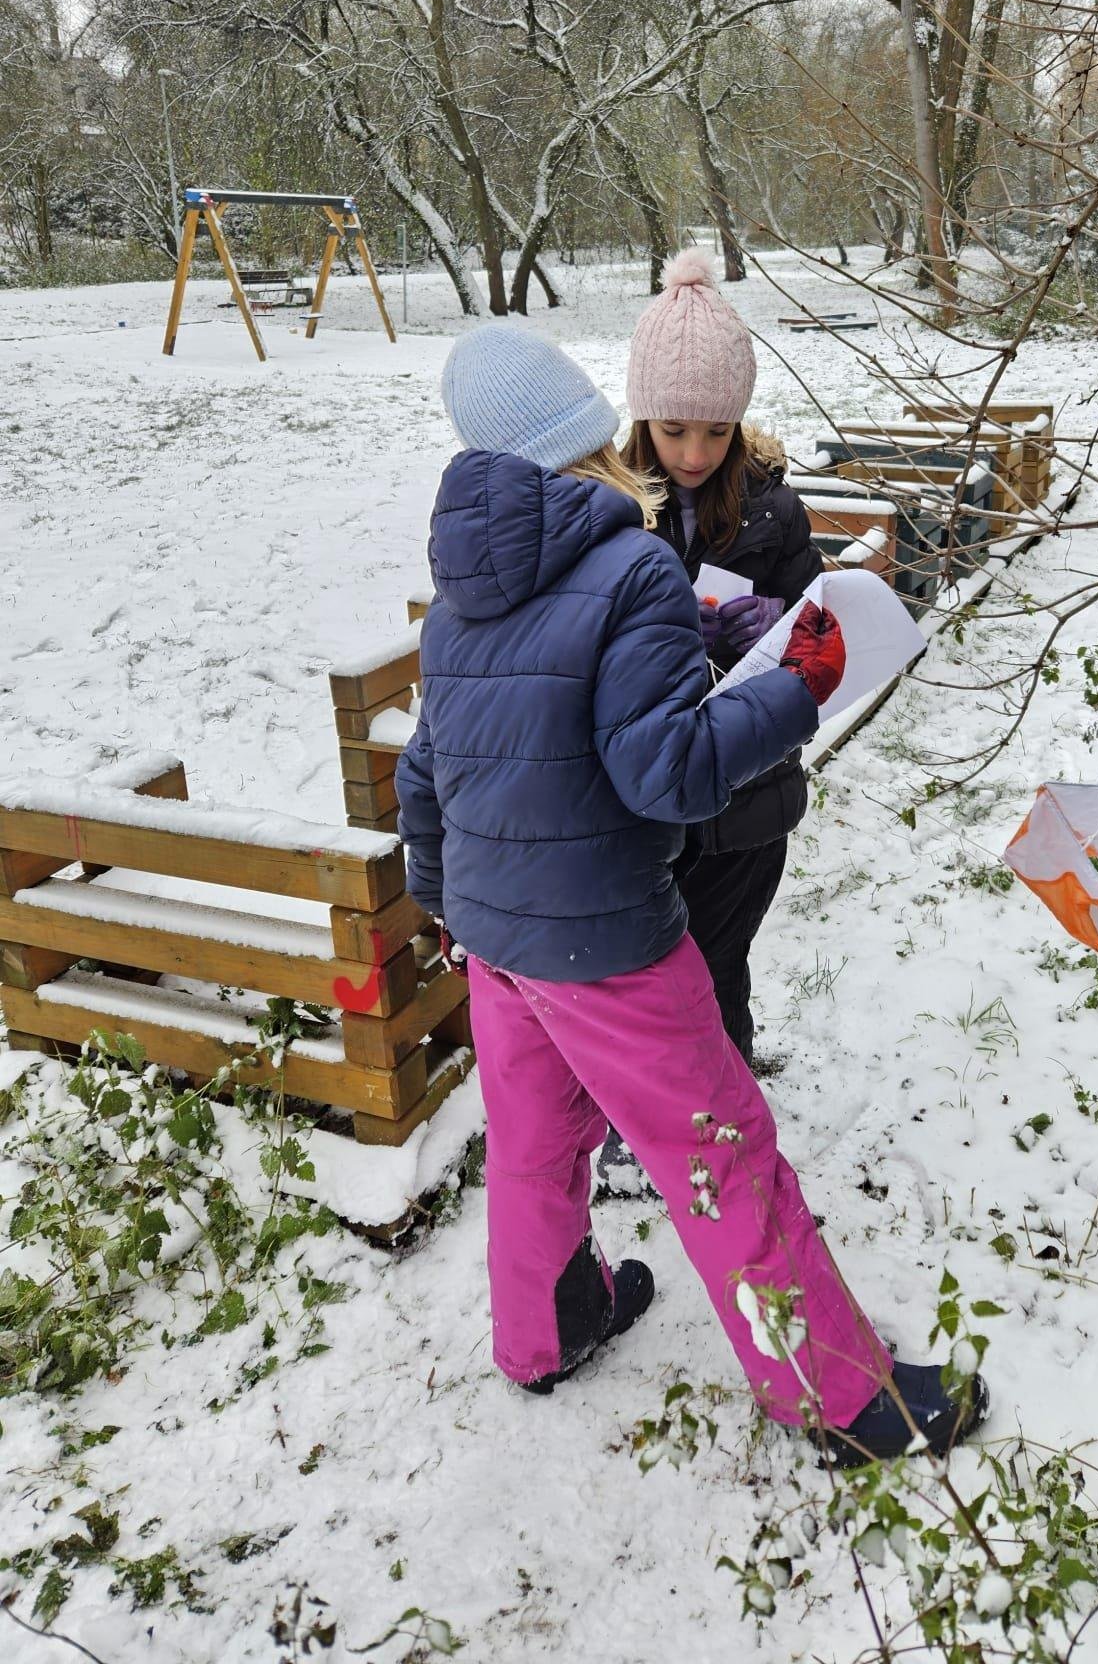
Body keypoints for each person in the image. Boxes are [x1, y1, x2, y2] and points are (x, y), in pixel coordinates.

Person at [396, 320, 988, 1466]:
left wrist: (449, 904)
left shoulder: (464, 597)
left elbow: (427, 774)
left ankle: (547, 1327)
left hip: (497, 936)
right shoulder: (630, 567)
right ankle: (840, 1393)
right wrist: (799, 685)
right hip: (608, 939)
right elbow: (665, 772)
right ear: (594, 433)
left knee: (534, 1143)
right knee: (724, 1149)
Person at [620, 247, 822, 1073]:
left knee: (720, 953)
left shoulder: (772, 508)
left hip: (746, 789)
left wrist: (774, 627)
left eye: (717, 430)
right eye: (674, 430)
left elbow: (821, 641)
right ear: (642, 418)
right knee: (657, 972)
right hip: (644, 793)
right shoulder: (608, 504)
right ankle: (670, 1101)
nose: (696, 453)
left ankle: (726, 1084)